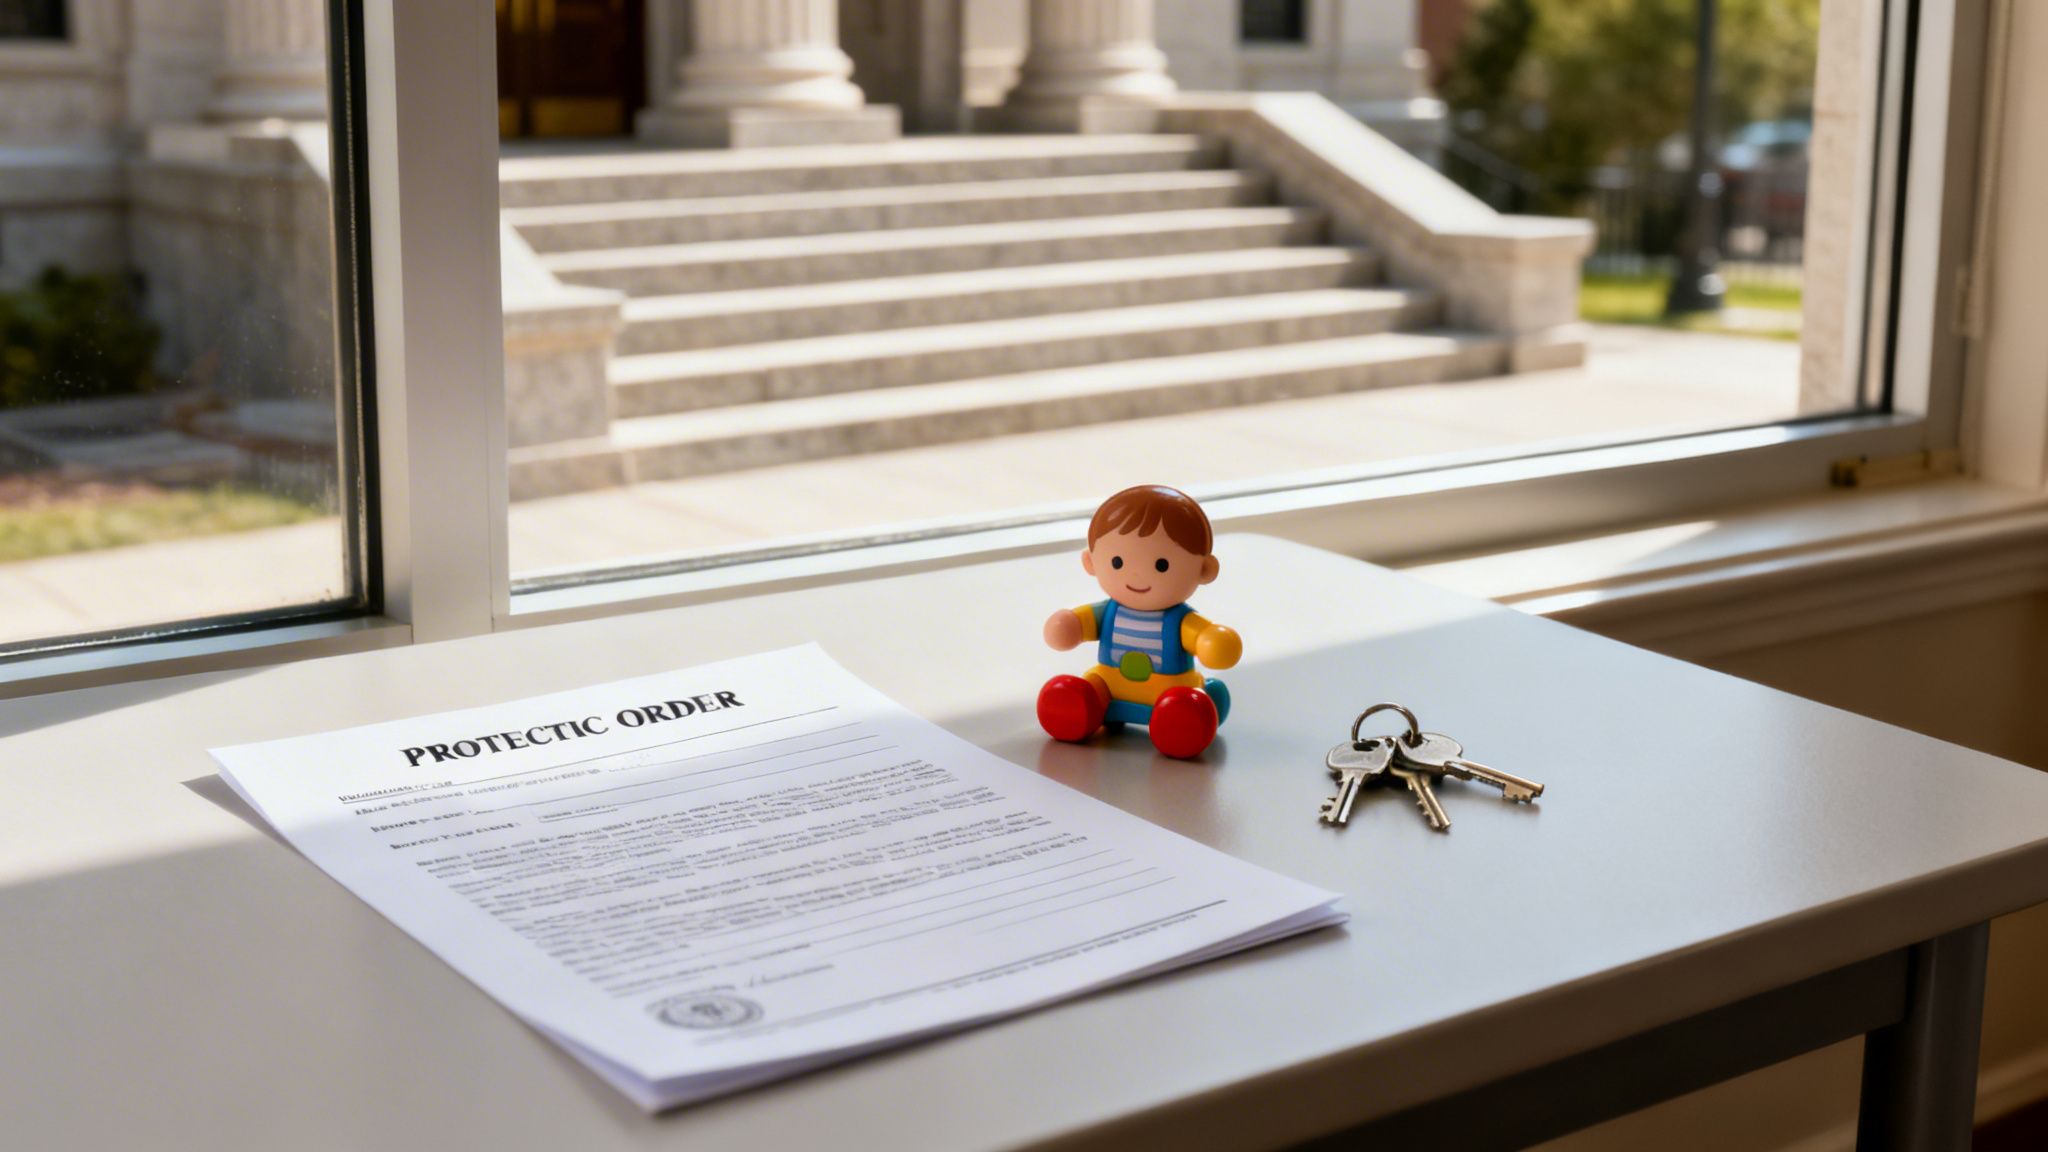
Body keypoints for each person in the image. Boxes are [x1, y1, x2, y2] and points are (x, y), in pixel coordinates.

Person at [1038, 485, 1240, 758]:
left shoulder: (1180, 621)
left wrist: (1211, 641)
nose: (1137, 575)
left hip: (1170, 692)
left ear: (1204, 570)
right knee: (1086, 688)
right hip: (1109, 684)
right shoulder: (1106, 613)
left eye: (1161, 565)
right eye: (1118, 562)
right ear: (1091, 562)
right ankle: (1076, 706)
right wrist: (1067, 626)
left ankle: (1185, 716)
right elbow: (1072, 626)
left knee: (1183, 704)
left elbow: (1206, 638)